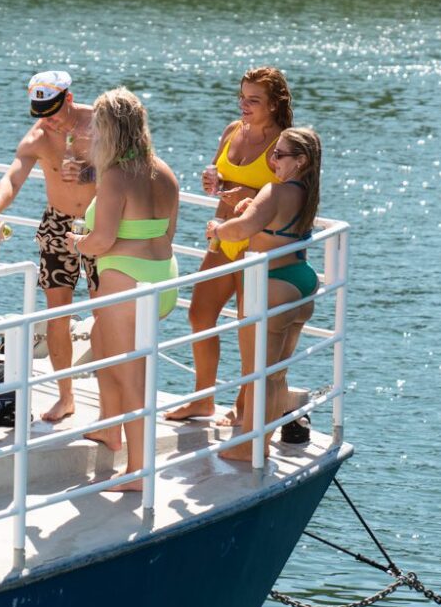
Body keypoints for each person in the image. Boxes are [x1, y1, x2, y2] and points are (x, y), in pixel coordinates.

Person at [65, 88, 179, 484]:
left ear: (110, 129)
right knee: (100, 339)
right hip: (162, 279)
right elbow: (167, 233)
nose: (91, 133)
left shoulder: (115, 175)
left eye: (97, 126)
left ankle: (138, 470)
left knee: (133, 378)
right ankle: (110, 426)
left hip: (125, 282)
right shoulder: (164, 171)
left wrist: (77, 242)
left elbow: (102, 241)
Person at [0, 71, 97, 422]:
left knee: (106, 311)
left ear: (69, 100)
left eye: (55, 111)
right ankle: (66, 395)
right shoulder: (40, 135)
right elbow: (13, 176)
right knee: (56, 313)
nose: (51, 120)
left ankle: (115, 394)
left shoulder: (100, 124)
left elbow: (131, 168)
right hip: (58, 224)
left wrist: (91, 174)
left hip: (100, 222)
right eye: (43, 113)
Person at [177, 67, 293, 422]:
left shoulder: (284, 144)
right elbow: (217, 177)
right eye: (242, 97)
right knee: (199, 314)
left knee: (248, 329)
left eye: (253, 100)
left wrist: (252, 195)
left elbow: (289, 197)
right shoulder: (232, 130)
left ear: (274, 105)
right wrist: (212, 178)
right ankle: (203, 399)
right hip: (223, 238)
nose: (244, 105)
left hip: (257, 247)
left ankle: (244, 407)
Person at [205, 127, 322, 461]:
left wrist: (218, 228)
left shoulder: (275, 191)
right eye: (273, 152)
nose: (273, 160)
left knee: (258, 374)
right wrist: (250, 206)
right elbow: (268, 220)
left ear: (301, 161)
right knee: (275, 374)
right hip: (300, 280)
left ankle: (249, 446)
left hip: (273, 285)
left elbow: (241, 229)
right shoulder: (306, 193)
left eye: (280, 155)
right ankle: (260, 443)